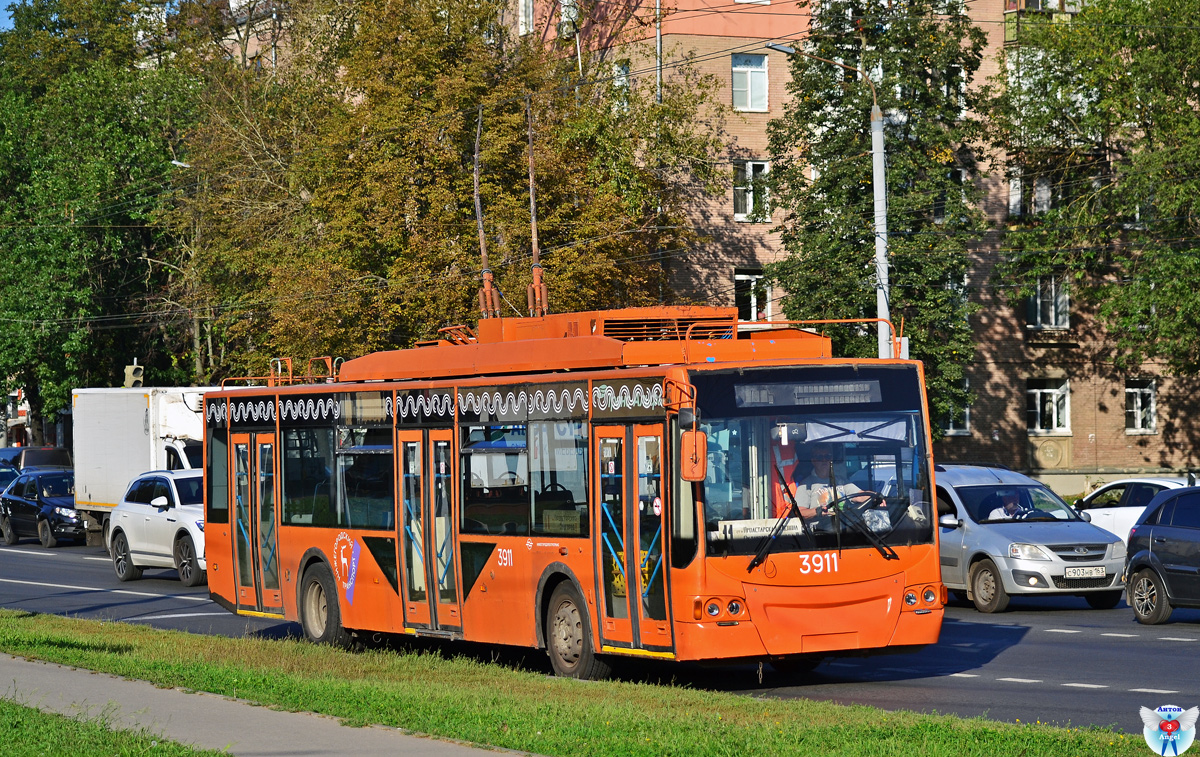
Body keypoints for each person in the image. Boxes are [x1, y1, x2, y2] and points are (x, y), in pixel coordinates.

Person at [774, 444, 864, 518]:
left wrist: (876, 497)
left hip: (846, 530)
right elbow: (800, 512)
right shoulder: (806, 485)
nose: (824, 460)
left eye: (827, 456)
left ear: (831, 459)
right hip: (819, 533)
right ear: (813, 460)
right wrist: (817, 511)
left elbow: (860, 496)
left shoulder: (842, 481)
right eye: (820, 457)